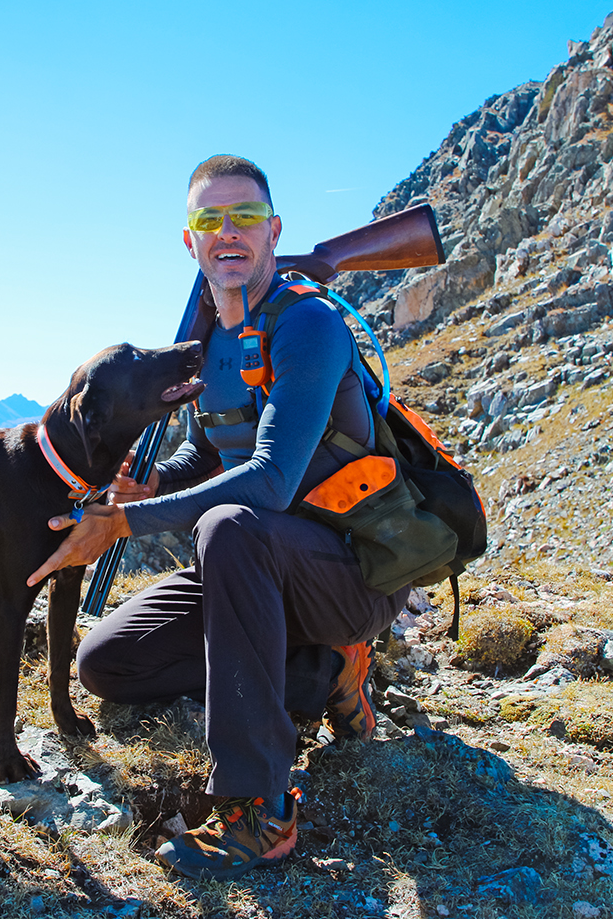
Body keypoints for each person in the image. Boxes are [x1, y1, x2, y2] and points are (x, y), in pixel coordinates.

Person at [27, 155, 409, 881]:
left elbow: (268, 483)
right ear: (190, 240)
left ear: (274, 231)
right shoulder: (213, 340)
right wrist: (151, 486)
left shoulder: (308, 325)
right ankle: (327, 671)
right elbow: (208, 453)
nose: (227, 231)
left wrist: (123, 525)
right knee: (108, 663)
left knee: (226, 526)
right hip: (255, 575)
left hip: (352, 571)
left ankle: (259, 808)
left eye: (245, 216)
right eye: (210, 219)